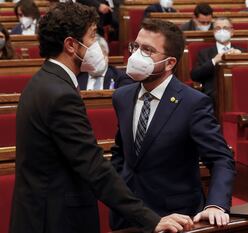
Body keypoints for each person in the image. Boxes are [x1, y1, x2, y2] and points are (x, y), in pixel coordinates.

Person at [10, 3, 193, 233]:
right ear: (70, 45)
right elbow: (93, 166)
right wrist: (151, 219)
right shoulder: (60, 94)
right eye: (91, 37)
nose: (96, 45)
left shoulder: (46, 80)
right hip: (55, 219)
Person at [110, 18, 235, 230]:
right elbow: (122, 151)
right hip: (128, 217)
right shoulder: (122, 96)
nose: (137, 55)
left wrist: (216, 204)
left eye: (148, 50)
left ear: (170, 63)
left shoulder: (193, 102)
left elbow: (221, 158)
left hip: (176, 217)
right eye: (136, 46)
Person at [191, 17, 243, 100]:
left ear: (232, 32)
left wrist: (240, 58)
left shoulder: (241, 51)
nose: (222, 31)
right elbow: (195, 75)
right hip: (214, 94)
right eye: (218, 28)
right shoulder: (204, 53)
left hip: (238, 90)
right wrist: (214, 60)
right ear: (214, 32)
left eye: (225, 28)